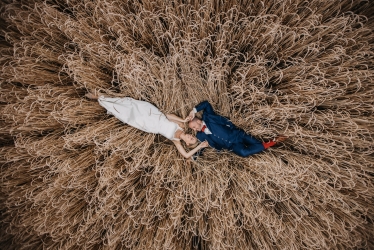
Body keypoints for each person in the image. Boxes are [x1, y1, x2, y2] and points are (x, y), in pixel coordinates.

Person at [85, 93, 208, 159]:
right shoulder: (181, 125)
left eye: (190, 139)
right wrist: (182, 119)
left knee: (128, 115)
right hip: (154, 113)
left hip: (150, 125)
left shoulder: (176, 142)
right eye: (192, 136)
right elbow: (168, 115)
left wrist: (199, 146)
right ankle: (102, 96)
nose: (190, 136)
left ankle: (103, 101)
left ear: (186, 143)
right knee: (131, 103)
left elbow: (186, 155)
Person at [188, 101, 287, 158]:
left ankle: (273, 144)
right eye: (193, 129)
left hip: (238, 135)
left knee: (256, 143)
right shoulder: (200, 135)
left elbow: (206, 104)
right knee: (244, 153)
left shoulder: (208, 116)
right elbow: (201, 147)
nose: (195, 129)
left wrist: (193, 111)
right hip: (232, 146)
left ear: (198, 121)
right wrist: (193, 157)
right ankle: (273, 142)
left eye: (193, 126)